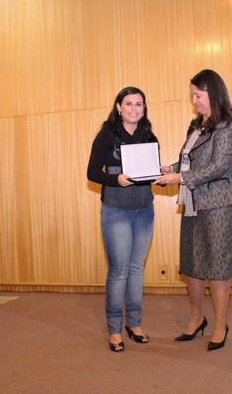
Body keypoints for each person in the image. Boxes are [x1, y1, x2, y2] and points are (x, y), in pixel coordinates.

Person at [155, 69, 232, 351]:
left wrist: (179, 177)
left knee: (216, 266)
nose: (194, 100)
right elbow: (188, 161)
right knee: (191, 263)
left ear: (213, 93)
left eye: (198, 95)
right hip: (193, 201)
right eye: (192, 95)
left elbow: (219, 166)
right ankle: (196, 319)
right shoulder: (195, 127)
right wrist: (170, 168)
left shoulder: (228, 125)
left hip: (219, 202)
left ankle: (219, 325)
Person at [87, 86, 158, 352]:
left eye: (139, 104)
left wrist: (160, 173)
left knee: (136, 268)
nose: (134, 109)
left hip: (144, 209)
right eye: (128, 104)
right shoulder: (106, 135)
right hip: (116, 210)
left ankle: (135, 324)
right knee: (119, 270)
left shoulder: (149, 136)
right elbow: (92, 173)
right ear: (119, 107)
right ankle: (115, 329)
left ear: (144, 108)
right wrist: (115, 179)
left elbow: (148, 172)